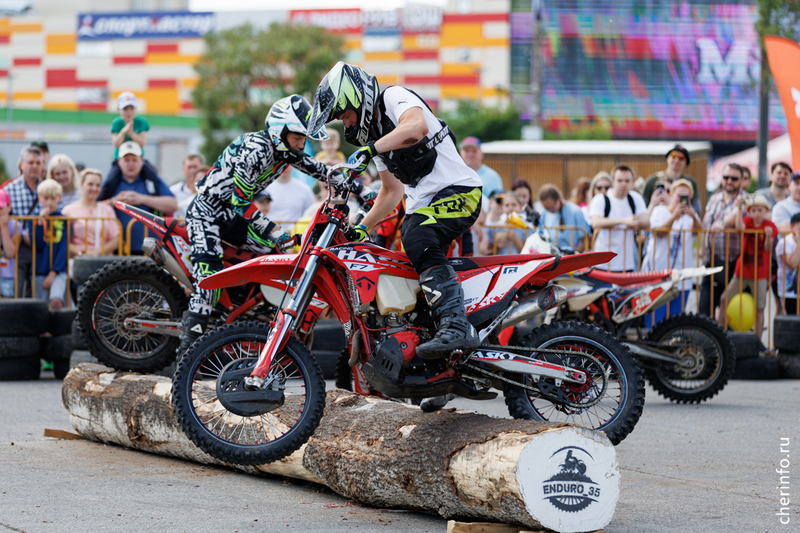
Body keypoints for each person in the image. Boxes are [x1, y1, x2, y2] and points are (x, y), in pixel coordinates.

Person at [308, 61, 483, 367]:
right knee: (403, 268)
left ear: (356, 99)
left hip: (460, 192)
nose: (347, 125)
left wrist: (370, 150)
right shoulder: (374, 136)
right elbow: (391, 191)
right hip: (423, 204)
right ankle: (444, 367)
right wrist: (363, 227)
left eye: (345, 115)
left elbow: (417, 127)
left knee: (417, 234)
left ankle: (456, 327)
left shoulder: (394, 98)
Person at [180, 94, 346, 356]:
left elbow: (322, 170)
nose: (302, 144)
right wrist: (275, 230)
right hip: (208, 212)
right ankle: (187, 355)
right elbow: (240, 202)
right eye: (297, 137)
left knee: (274, 256)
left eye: (304, 138)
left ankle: (245, 310)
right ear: (280, 131)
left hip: (231, 216)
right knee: (208, 283)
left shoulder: (286, 151)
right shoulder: (255, 149)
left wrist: (362, 189)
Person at [98, 141, 177, 254]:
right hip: (117, 250)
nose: (131, 164)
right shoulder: (109, 184)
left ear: (142, 161)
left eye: (134, 160)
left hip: (149, 250)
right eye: (126, 160)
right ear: (119, 162)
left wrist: (142, 199)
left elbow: (173, 204)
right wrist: (113, 201)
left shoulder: (153, 181)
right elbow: (91, 207)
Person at [641, 179, 701, 323]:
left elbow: (698, 232)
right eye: (679, 196)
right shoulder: (660, 211)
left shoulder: (691, 216)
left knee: (675, 322)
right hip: (658, 276)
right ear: (671, 194)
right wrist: (674, 216)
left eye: (686, 197)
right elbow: (658, 233)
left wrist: (694, 217)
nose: (682, 200)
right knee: (655, 320)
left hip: (681, 277)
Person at [718, 195, 776, 342]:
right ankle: (719, 335)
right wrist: (738, 208)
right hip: (741, 273)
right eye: (754, 210)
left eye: (760, 210)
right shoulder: (747, 221)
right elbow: (739, 227)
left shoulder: (770, 226)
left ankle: (757, 341)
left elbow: (768, 248)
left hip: (760, 275)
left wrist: (768, 236)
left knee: (759, 308)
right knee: (724, 299)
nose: (757, 213)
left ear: (765, 211)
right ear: (749, 211)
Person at [699, 163, 745, 318]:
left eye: (734, 178)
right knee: (705, 308)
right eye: (726, 177)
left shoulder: (744, 199)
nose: (729, 181)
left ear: (741, 180)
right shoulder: (715, 199)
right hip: (712, 260)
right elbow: (706, 225)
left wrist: (723, 223)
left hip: (734, 263)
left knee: (731, 311)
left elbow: (736, 217)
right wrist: (702, 248)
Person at [589, 165, 649, 272]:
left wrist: (636, 223)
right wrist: (625, 221)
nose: (623, 184)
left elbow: (646, 221)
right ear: (613, 182)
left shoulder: (635, 198)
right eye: (620, 180)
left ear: (632, 182)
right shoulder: (601, 199)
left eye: (627, 180)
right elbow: (596, 222)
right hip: (602, 263)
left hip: (627, 263)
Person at [5, 146, 44, 296]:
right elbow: (6, 217)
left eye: (38, 163)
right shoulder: (9, 189)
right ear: (21, 164)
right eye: (30, 162)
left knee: (35, 292)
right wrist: (24, 232)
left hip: (42, 247)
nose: (34, 166)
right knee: (17, 290)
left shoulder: (48, 189)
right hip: (18, 246)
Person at [62, 168, 120, 258]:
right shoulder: (68, 210)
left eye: (98, 185)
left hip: (103, 262)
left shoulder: (107, 210)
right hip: (77, 262)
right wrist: (82, 255)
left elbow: (115, 240)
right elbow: (63, 240)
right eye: (90, 184)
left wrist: (96, 253)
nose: (94, 188)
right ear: (81, 184)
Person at [29, 179, 68, 308]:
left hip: (58, 270)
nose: (49, 202)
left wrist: (54, 272)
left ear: (59, 198)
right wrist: (40, 224)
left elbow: (64, 248)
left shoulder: (64, 220)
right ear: (39, 198)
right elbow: (37, 245)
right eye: (46, 198)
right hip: (39, 270)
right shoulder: (34, 219)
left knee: (56, 301)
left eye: (53, 198)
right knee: (40, 307)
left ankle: (56, 328)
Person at [642, 144, 702, 215]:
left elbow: (697, 210)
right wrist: (653, 203)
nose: (677, 160)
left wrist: (673, 204)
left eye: (681, 158)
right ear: (667, 158)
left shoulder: (691, 182)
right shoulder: (652, 180)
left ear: (686, 163)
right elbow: (642, 207)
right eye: (674, 156)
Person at [537, 184, 592, 252]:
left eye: (551, 208)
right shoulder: (544, 212)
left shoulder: (575, 211)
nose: (549, 211)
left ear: (558, 200)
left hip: (570, 256)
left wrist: (571, 253)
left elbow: (585, 241)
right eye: (546, 208)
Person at [265, 164, 316, 231]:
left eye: (288, 164)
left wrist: (291, 229)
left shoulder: (305, 190)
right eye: (283, 163)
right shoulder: (264, 189)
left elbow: (310, 216)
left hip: (295, 237)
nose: (285, 167)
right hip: (268, 235)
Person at [775, 212, 800, 315]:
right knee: (792, 322)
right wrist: (799, 243)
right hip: (789, 292)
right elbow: (792, 263)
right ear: (791, 227)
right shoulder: (784, 242)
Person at [111, 92, 149, 159]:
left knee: (151, 170)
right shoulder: (116, 123)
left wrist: (131, 133)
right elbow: (116, 144)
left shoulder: (141, 122)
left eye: (131, 108)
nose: (129, 112)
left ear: (136, 109)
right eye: (125, 109)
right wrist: (123, 131)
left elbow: (142, 143)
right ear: (118, 109)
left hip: (138, 159)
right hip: (120, 158)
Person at [0, 189, 18, 298]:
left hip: (7, 275)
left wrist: (4, 227)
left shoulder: (15, 225)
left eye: (1, 208)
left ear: (9, 207)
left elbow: (10, 252)